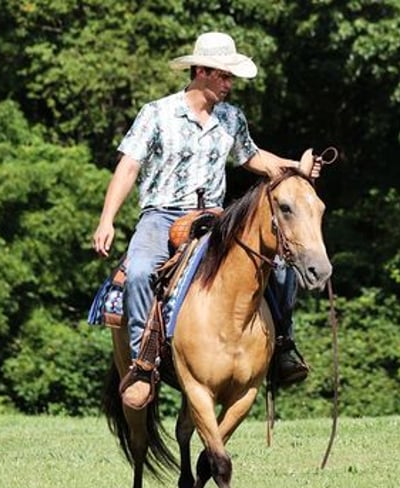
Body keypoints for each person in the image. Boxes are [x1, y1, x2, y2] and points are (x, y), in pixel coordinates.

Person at [92, 31, 320, 409]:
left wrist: (297, 166)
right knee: (138, 271)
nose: (229, 85)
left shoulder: (231, 118)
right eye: (223, 76)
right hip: (160, 216)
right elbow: (128, 166)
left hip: (215, 218)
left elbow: (252, 158)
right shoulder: (157, 113)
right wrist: (107, 220)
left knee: (278, 265)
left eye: (231, 77)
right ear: (200, 71)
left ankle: (282, 347)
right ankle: (141, 367)